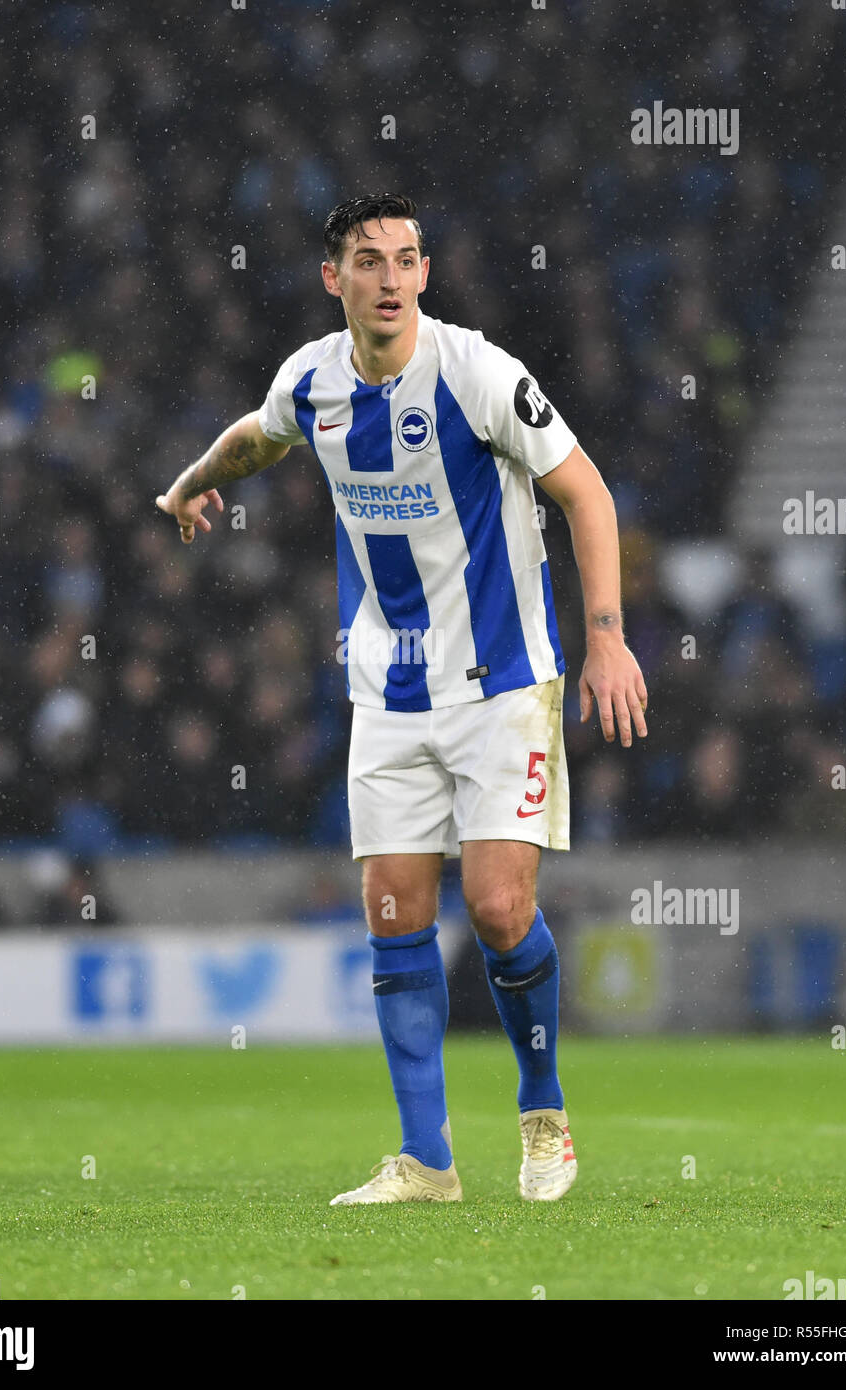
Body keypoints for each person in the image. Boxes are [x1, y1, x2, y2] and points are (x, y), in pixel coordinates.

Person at [156, 193, 648, 1205]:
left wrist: (606, 640)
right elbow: (261, 433)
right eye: (367, 260)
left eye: (406, 259)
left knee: (503, 910)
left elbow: (587, 494)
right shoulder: (314, 379)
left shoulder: (477, 373)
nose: (389, 277)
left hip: (502, 682)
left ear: (425, 273)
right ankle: (427, 1160)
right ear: (332, 278)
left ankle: (543, 1110)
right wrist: (192, 480)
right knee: (393, 916)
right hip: (386, 688)